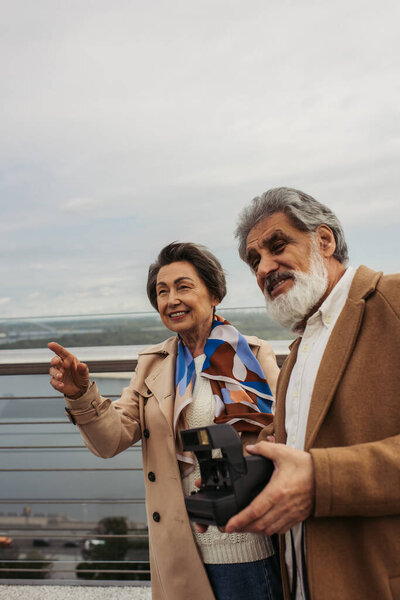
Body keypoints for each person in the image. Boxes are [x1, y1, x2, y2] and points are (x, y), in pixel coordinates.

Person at [48, 242, 283, 600]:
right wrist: (81, 395)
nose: (171, 299)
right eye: (162, 291)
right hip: (181, 548)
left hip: (247, 545)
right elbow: (113, 439)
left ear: (214, 292)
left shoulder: (253, 354)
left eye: (183, 287)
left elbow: (283, 431)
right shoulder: (153, 365)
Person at [225, 187, 400, 600]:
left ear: (325, 240)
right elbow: (304, 449)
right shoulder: (302, 344)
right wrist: (238, 491)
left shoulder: (393, 301)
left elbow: (316, 470)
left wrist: (324, 480)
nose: (265, 267)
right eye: (254, 260)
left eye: (277, 245)